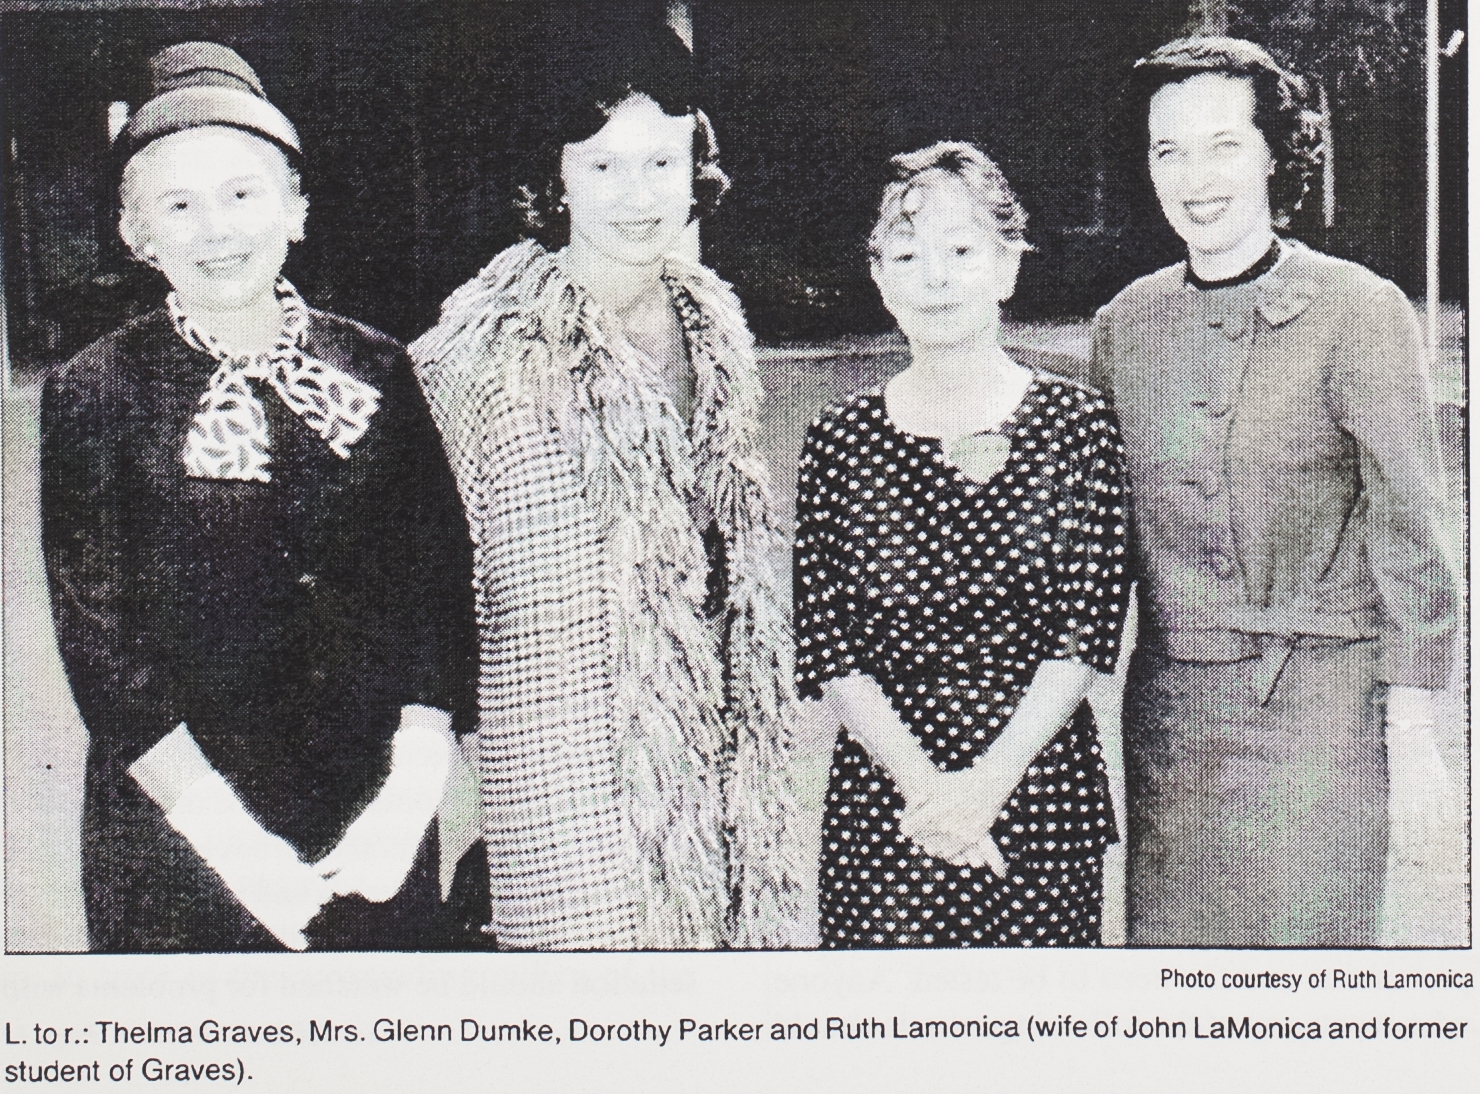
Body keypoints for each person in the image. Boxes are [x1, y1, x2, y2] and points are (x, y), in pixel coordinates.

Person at [41, 42, 476, 952]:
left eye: (243, 193)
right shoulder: (94, 393)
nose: (217, 228)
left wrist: (406, 801)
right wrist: (235, 849)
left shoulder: (377, 369)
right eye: (179, 204)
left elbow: (434, 597)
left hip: (368, 835)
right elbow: (105, 652)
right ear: (137, 237)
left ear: (296, 208)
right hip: (180, 845)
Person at [410, 27, 803, 950]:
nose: (638, 196)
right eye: (602, 167)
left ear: (695, 162)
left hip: (723, 775)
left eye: (661, 161)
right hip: (562, 784)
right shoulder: (478, 359)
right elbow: (427, 602)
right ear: (555, 182)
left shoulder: (717, 328)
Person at [1095, 37, 1458, 946]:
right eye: (1167, 149)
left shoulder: (1362, 312)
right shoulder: (1122, 327)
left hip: (1325, 726)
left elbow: (1414, 539)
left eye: (1224, 143)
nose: (1194, 176)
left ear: (1274, 152)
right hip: (1172, 726)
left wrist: (1413, 740)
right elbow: (1093, 543)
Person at [794, 142, 1130, 947]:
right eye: (907, 255)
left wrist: (986, 788)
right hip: (886, 811)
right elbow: (827, 645)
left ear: (1008, 266)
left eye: (960, 250)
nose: (934, 277)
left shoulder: (1077, 427)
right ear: (880, 277)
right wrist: (930, 794)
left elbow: (1083, 633)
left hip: (1038, 798)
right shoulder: (837, 438)